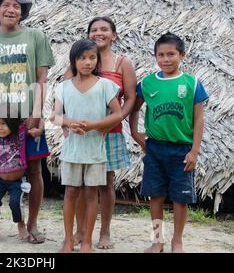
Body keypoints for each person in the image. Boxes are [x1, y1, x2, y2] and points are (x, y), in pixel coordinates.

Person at [0, 0, 55, 244]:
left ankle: (32, 224)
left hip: (25, 118)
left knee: (34, 170)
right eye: (6, 5)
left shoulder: (36, 37)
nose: (11, 9)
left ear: (22, 13)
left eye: (17, 6)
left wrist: (37, 113)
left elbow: (42, 77)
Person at [129, 33, 208, 253]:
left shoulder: (192, 84)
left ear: (181, 55)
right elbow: (134, 109)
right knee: (155, 196)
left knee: (180, 199)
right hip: (155, 148)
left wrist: (194, 150)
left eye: (171, 54)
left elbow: (199, 118)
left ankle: (177, 241)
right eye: (161, 55)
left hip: (182, 150)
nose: (166, 59)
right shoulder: (148, 83)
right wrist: (135, 133)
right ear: (155, 57)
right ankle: (157, 240)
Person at [64, 17, 137, 249]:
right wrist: (67, 124)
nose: (99, 33)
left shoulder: (122, 62)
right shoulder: (81, 61)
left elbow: (131, 98)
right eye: (94, 30)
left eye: (104, 29)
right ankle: (80, 231)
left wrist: (114, 120)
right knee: (78, 184)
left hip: (110, 132)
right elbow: (64, 96)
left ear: (114, 34)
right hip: (82, 133)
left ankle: (104, 232)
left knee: (105, 182)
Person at [51, 39, 122, 253]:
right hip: (72, 151)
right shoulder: (63, 87)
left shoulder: (106, 86)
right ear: (73, 61)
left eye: (92, 58)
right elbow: (54, 116)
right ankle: (68, 239)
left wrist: (93, 126)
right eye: (82, 58)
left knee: (92, 194)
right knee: (71, 192)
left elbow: (118, 114)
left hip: (95, 151)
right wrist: (70, 123)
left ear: (97, 60)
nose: (87, 62)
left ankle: (88, 241)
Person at [0, 108, 42, 242]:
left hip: (17, 182)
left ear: (12, 124)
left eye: (3, 124)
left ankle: (21, 225)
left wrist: (40, 130)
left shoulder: (20, 133)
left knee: (15, 204)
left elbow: (40, 120)